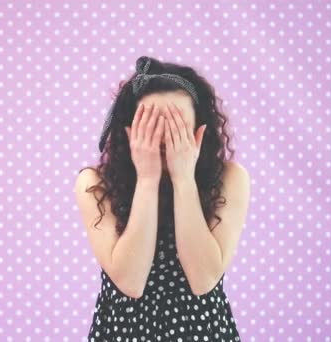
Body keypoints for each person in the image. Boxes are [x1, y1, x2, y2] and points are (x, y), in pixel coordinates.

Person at [75, 56, 250, 341]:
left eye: (177, 125)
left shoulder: (230, 179)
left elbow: (204, 280)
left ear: (200, 131)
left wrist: (183, 179)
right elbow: (130, 282)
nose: (164, 137)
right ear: (129, 129)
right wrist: (147, 179)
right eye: (151, 124)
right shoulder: (93, 184)